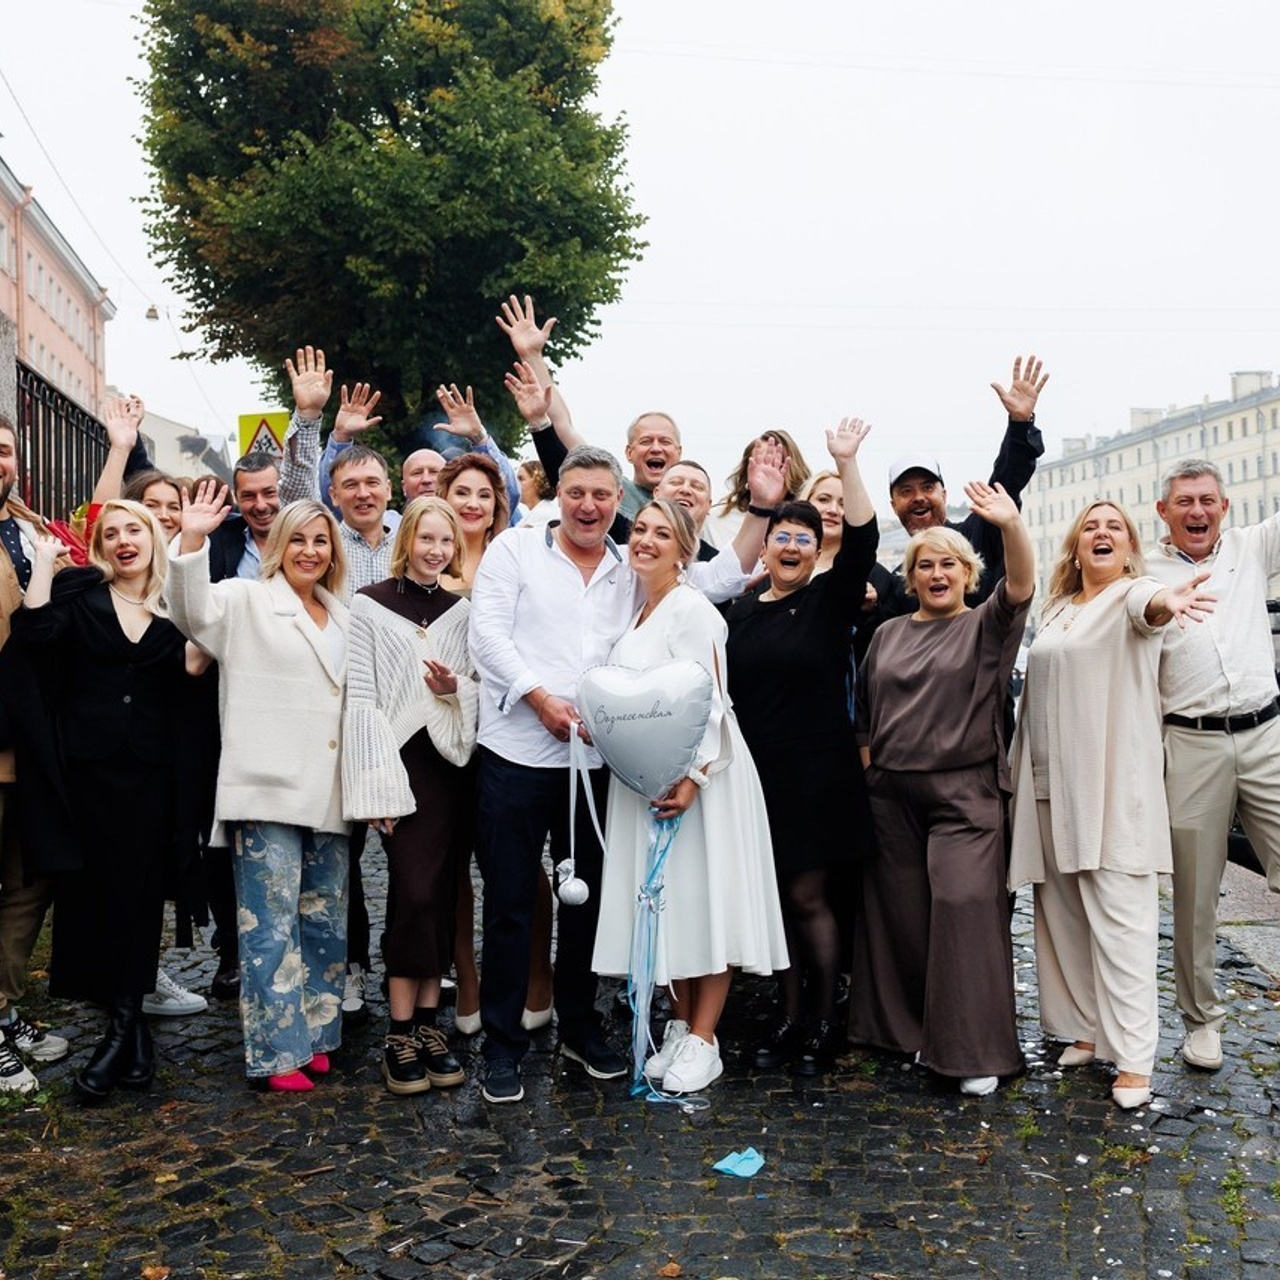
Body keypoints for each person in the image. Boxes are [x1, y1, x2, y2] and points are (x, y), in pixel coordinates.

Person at [467, 443, 780, 1104]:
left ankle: (582, 1027)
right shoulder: (515, 551)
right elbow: (486, 635)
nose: (589, 506)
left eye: (603, 497)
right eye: (576, 492)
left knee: (592, 904)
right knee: (511, 902)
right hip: (521, 753)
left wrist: (761, 507)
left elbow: (703, 641)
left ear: (617, 500)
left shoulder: (624, 570)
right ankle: (502, 1046)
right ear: (558, 493)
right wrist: (539, 698)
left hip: (601, 768)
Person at [1008, 501, 1214, 1109]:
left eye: (1114, 527)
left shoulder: (1134, 594)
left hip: (1111, 787)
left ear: (1128, 547)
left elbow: (1148, 605)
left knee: (1122, 922)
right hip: (1049, 782)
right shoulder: (1058, 609)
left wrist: (1166, 602)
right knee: (1062, 913)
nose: (1101, 533)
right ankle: (1088, 1030)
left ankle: (1134, 1059)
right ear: (1074, 547)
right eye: (1090, 527)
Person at [8, 501, 208, 1101]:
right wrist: (44, 563)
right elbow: (34, 635)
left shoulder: (178, 604)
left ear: (154, 538)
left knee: (142, 899)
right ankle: (129, 1031)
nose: (124, 541)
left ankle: (122, 1034)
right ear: (99, 545)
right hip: (88, 776)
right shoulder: (81, 593)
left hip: (154, 777)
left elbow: (196, 667)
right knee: (95, 899)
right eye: (111, 533)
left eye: (135, 530)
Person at [593, 500, 789, 1093]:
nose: (645, 541)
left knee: (708, 898)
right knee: (670, 902)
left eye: (662, 534)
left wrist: (695, 779)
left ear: (685, 551)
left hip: (701, 780)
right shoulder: (638, 612)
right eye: (640, 531)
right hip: (648, 782)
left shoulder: (694, 610)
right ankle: (678, 1025)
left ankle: (705, 1036)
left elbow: (710, 700)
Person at [853, 481, 1034, 1096]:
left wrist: (1009, 524)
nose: (936, 572)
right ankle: (909, 1032)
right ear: (910, 577)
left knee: (964, 907)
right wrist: (870, 765)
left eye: (949, 564)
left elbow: (1022, 586)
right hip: (892, 794)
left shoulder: (987, 626)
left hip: (964, 793)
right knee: (901, 917)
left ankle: (973, 1050)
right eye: (924, 564)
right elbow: (867, 710)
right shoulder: (887, 634)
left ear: (968, 574)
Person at [168, 489, 351, 1092]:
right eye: (297, 538)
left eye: (320, 540)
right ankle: (276, 1054)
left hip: (330, 792)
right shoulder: (245, 598)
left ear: (333, 552)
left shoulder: (344, 614)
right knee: (269, 926)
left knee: (324, 922)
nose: (309, 550)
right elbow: (186, 610)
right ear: (276, 545)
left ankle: (317, 1034)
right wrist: (192, 540)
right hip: (267, 785)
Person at [724, 420, 879, 1074]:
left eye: (802, 537)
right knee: (774, 901)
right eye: (780, 535)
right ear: (764, 549)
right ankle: (788, 1017)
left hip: (817, 779)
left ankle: (824, 1021)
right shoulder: (740, 611)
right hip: (757, 779)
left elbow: (866, 537)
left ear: (816, 551)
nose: (789, 544)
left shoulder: (830, 600)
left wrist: (845, 463)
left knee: (810, 898)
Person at [1144, 460, 1280, 1072]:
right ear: (1163, 512)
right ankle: (1202, 1022)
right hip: (1191, 743)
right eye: (1184, 502)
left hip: (1265, 732)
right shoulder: (1142, 571)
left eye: (1207, 500)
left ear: (1225, 507)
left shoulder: (1251, 550)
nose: (1196, 511)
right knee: (1196, 897)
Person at [343, 497, 476, 1095]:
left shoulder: (460, 610)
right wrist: (375, 787)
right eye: (426, 538)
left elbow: (473, 688)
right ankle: (398, 1031)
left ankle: (427, 1024)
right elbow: (362, 699)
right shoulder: (369, 605)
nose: (436, 551)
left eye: (446, 542)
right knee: (413, 891)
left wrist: (455, 689)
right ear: (407, 540)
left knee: (443, 891)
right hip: (398, 764)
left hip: (451, 763)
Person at [857, 355, 1049, 661]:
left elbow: (1005, 484)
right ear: (894, 506)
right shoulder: (894, 583)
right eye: (906, 491)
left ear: (944, 495)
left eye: (927, 488)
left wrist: (1019, 425)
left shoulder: (976, 535)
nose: (919, 497)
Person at [705, 430, 811, 549]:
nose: (768, 473)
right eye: (760, 465)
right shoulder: (716, 520)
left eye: (776, 465)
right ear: (746, 473)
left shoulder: (811, 525)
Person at [438, 452, 510, 595]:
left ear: (495, 509)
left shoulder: (511, 564)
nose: (472, 504)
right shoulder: (420, 560)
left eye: (484, 496)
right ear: (443, 499)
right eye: (462, 493)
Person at [516, 459, 558, 526]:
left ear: (537, 481)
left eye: (521, 479)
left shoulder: (544, 515)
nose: (516, 483)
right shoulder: (534, 514)